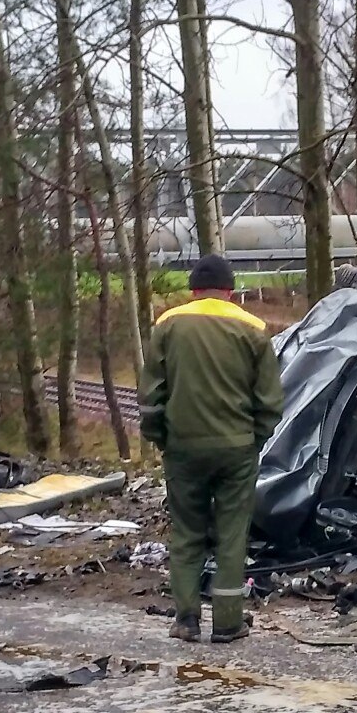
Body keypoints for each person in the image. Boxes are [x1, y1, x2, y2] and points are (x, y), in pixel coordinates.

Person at [141, 254, 284, 644]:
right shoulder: (253, 328)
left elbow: (152, 396)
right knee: (231, 534)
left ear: (193, 290)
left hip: (183, 448)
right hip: (236, 448)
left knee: (187, 532)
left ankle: (186, 619)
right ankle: (227, 623)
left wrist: (161, 438)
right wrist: (255, 438)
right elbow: (270, 400)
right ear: (230, 290)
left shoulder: (167, 325)